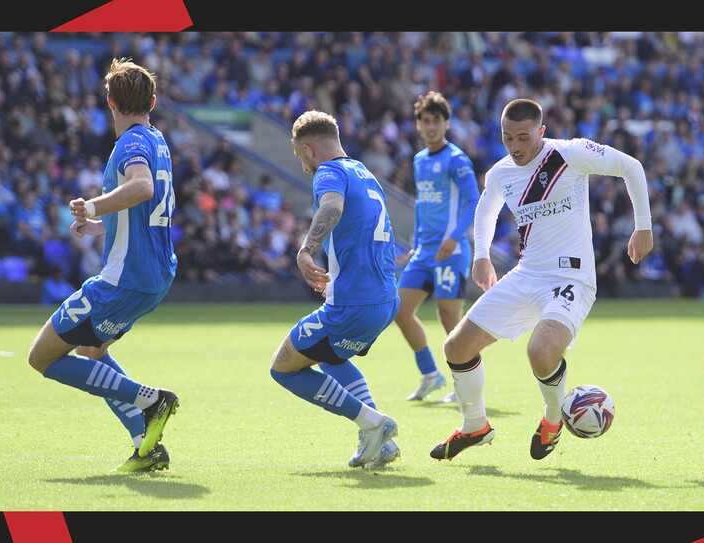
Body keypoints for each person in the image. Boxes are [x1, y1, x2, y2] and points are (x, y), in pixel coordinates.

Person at [430, 98, 653, 461]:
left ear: (541, 131)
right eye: (507, 138)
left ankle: (553, 418)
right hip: (527, 274)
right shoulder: (501, 172)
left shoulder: (569, 154)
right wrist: (481, 255)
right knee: (456, 348)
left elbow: (631, 166)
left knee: (541, 352)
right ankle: (475, 426)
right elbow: (486, 210)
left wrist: (643, 227)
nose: (515, 146)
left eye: (523, 137)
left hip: (571, 277)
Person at [27, 58, 180, 473]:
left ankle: (151, 400)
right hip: (154, 275)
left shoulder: (130, 143)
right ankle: (145, 445)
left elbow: (142, 187)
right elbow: (146, 207)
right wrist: (101, 226)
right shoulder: (157, 139)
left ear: (109, 101)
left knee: (42, 357)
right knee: (92, 350)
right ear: (152, 102)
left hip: (123, 279)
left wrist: (92, 206)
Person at [269, 110, 401, 469]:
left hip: (354, 303)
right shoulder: (364, 173)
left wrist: (306, 250)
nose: (303, 166)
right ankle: (380, 443)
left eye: (300, 157)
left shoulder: (328, 172)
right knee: (331, 356)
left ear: (309, 150)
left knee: (283, 368)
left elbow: (332, 206)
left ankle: (373, 423)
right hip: (385, 299)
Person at [393, 91, 480, 402]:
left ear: (447, 123)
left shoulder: (456, 160)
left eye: (437, 121)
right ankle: (430, 374)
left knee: (449, 318)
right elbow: (422, 205)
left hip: (451, 252)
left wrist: (454, 236)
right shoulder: (419, 160)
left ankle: (466, 384)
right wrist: (415, 245)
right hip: (424, 252)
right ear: (418, 125)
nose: (431, 127)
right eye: (426, 121)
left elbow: (474, 202)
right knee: (400, 310)